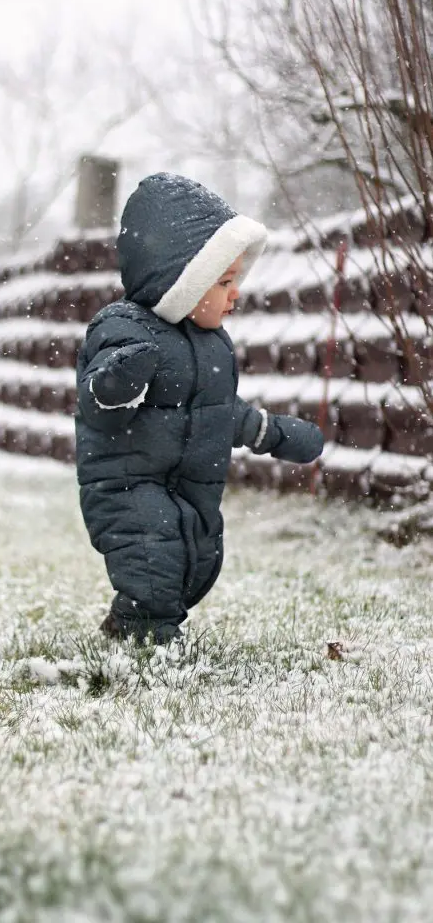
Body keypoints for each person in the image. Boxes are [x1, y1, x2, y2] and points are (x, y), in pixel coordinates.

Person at [75, 172, 324, 644]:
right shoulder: (123, 330)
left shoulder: (212, 346)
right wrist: (121, 379)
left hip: (189, 483)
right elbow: (99, 406)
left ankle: (130, 622)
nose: (236, 294)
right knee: (154, 554)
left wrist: (272, 432)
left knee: (197, 557)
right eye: (224, 281)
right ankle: (148, 639)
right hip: (127, 481)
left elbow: (217, 412)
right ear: (182, 282)